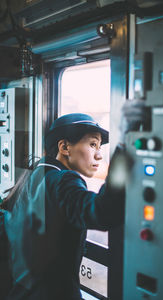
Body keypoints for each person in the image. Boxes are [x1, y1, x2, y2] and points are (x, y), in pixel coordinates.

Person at [2, 100, 148, 300]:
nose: (98, 155)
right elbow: (103, 212)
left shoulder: (34, 174)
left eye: (99, 146)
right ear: (64, 147)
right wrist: (124, 144)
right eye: (92, 144)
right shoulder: (64, 180)